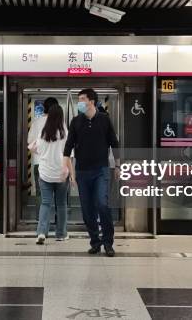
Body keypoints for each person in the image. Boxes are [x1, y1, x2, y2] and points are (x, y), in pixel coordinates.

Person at [64, 88, 119, 257]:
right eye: (78, 99)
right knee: (87, 209)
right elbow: (68, 148)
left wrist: (117, 166)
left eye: (82, 99)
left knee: (102, 204)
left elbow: (114, 144)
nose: (79, 102)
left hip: (101, 170)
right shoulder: (76, 122)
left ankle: (108, 243)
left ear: (92, 101)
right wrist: (70, 172)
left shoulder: (104, 119)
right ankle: (95, 242)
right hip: (82, 171)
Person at [33, 104, 71, 244]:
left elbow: (38, 150)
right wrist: (71, 174)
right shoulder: (65, 133)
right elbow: (68, 155)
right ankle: (61, 234)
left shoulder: (43, 133)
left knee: (45, 203)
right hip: (61, 173)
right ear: (61, 116)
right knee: (61, 204)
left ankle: (41, 232)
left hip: (45, 173)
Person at [27, 97, 59, 193]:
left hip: (40, 163)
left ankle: (40, 208)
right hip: (57, 164)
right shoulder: (60, 123)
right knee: (59, 196)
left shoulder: (36, 123)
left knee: (41, 196)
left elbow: (30, 142)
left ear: (44, 108)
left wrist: (39, 151)